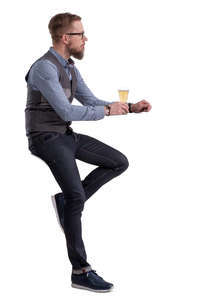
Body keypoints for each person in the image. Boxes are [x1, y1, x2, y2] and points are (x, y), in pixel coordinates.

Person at [25, 12, 152, 293]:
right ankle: (80, 271)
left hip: (65, 135)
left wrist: (129, 108)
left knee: (118, 162)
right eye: (80, 34)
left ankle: (68, 203)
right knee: (75, 197)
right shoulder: (44, 68)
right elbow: (67, 110)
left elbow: (90, 101)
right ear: (64, 38)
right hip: (45, 137)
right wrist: (106, 111)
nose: (85, 38)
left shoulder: (70, 67)